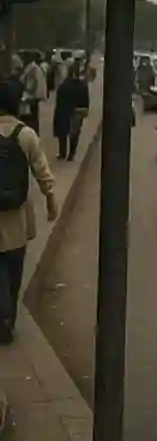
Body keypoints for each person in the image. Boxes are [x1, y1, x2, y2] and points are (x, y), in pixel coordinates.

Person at [0, 78, 56, 344]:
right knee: (13, 269)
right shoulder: (26, 134)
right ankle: (7, 318)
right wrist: (51, 199)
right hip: (17, 216)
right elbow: (42, 171)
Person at [52, 63, 89, 161]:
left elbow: (59, 99)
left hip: (64, 110)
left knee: (62, 133)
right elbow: (86, 100)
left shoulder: (64, 84)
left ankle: (62, 153)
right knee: (74, 134)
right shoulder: (83, 85)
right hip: (77, 112)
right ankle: (71, 154)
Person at [18, 53, 46, 137]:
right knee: (34, 116)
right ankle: (34, 133)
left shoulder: (32, 69)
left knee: (30, 117)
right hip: (34, 96)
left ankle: (32, 133)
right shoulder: (35, 68)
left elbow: (31, 83)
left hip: (30, 96)